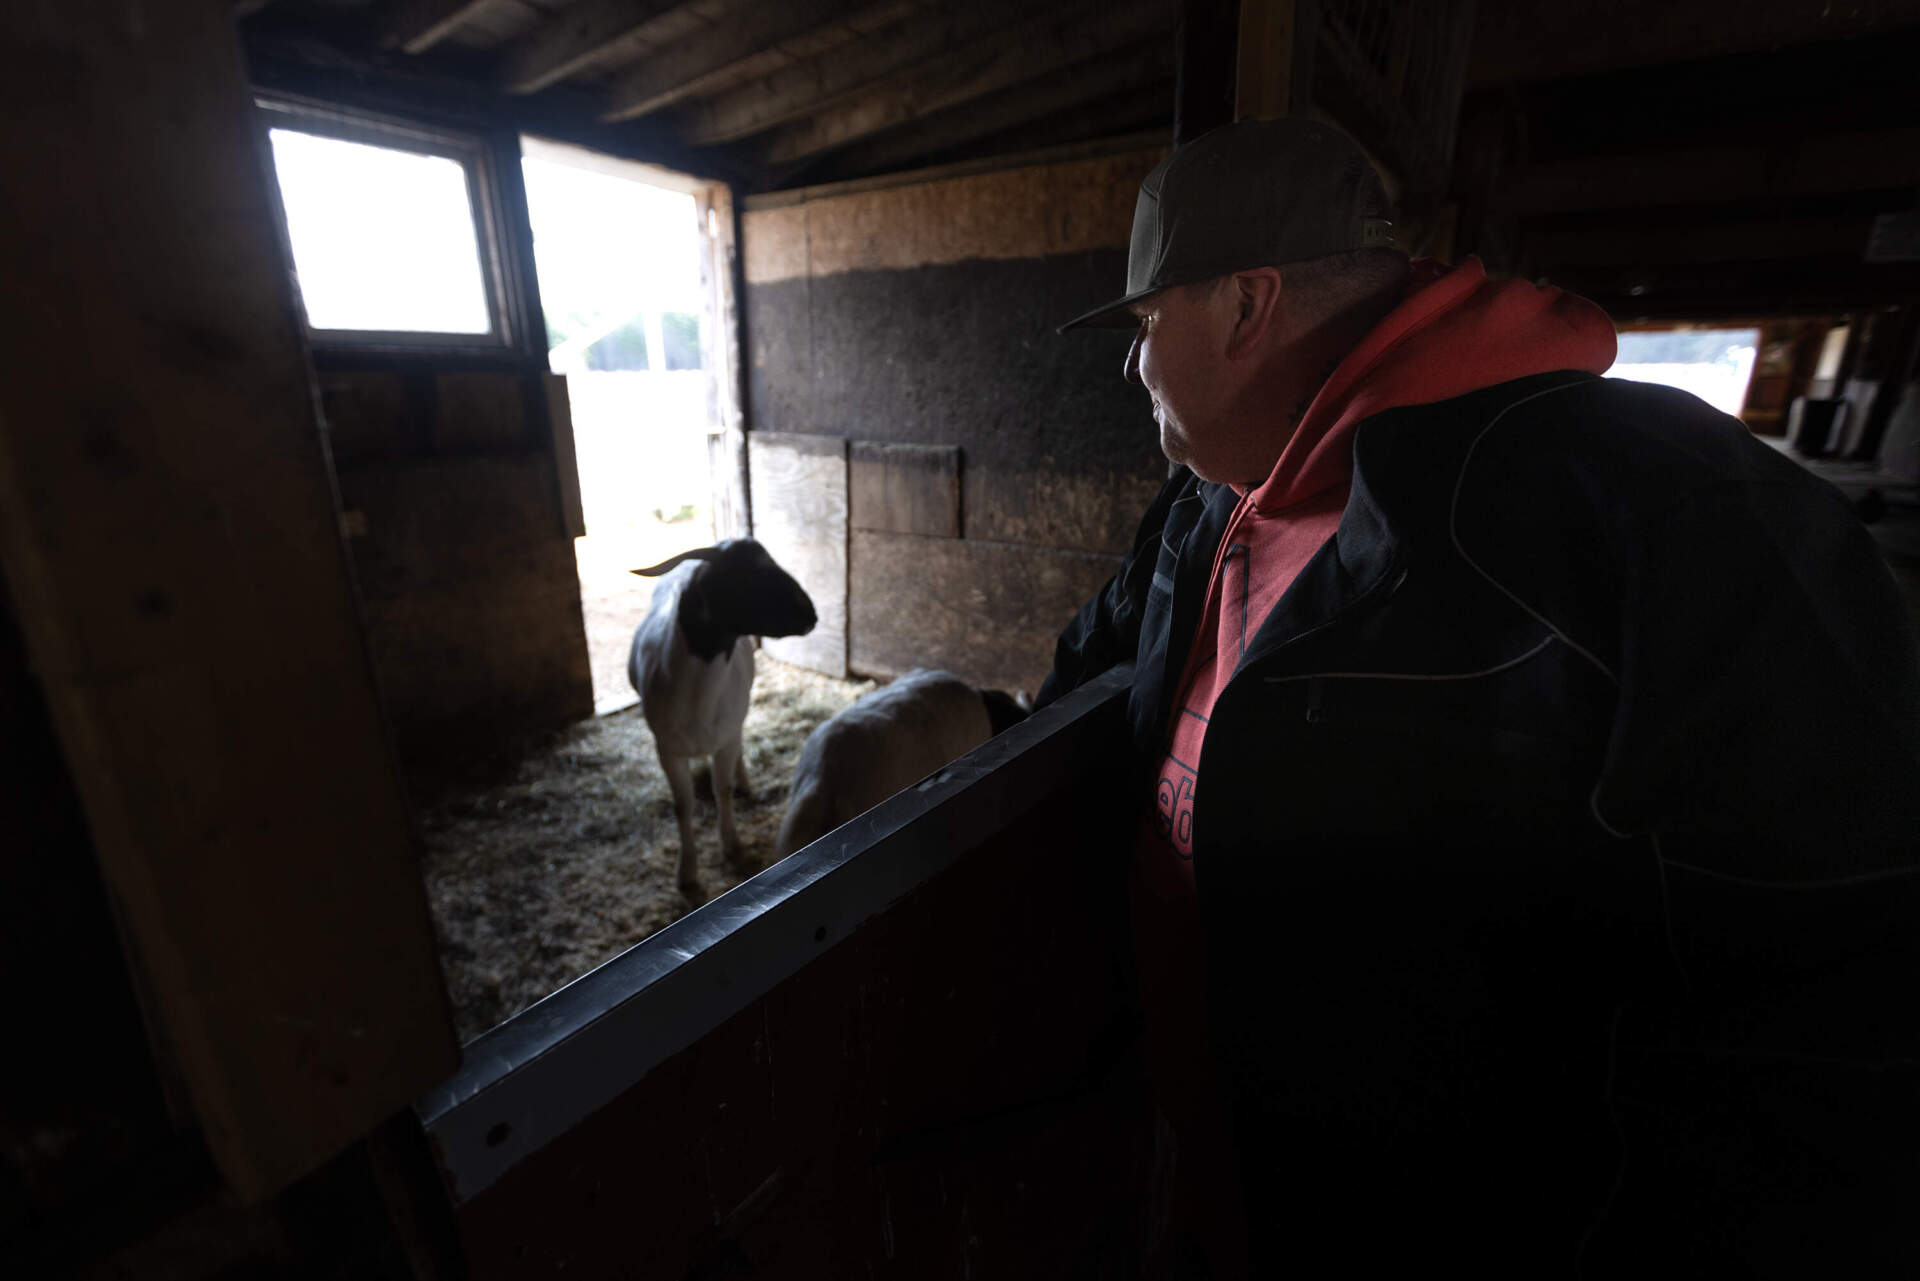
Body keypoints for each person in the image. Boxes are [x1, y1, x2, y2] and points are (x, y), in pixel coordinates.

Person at [1041, 117, 1920, 1278]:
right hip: (1221, 1186)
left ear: (1247, 307)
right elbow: (1087, 682)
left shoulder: (1672, 510)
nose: (1131, 364)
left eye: (1149, 324)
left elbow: (1840, 983)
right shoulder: (1215, 508)